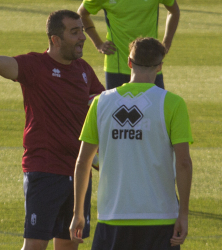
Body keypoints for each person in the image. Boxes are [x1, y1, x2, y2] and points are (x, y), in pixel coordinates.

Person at [0, 10, 105, 250]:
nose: (83, 37)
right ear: (55, 39)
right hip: (45, 170)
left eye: (82, 31)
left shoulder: (84, 70)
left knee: (69, 244)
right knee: (35, 244)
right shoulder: (35, 65)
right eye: (74, 32)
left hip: (78, 172)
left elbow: (101, 102)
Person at [70, 37, 193, 250]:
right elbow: (183, 163)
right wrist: (183, 213)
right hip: (160, 217)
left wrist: (78, 213)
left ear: (129, 62)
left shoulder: (101, 102)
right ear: (160, 66)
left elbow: (83, 162)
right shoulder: (173, 103)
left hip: (112, 216)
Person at [78, 0, 180, 90]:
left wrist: (167, 42)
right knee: (117, 111)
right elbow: (82, 14)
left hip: (150, 64)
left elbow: (174, 10)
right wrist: (98, 44)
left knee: (155, 110)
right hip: (117, 66)